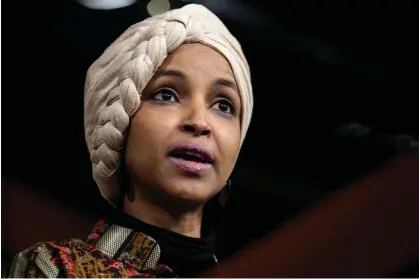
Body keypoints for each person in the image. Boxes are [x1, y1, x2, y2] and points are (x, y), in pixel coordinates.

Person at [8, 3, 253, 278]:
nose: (199, 122)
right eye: (166, 95)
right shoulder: (55, 270)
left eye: (223, 105)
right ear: (119, 129)